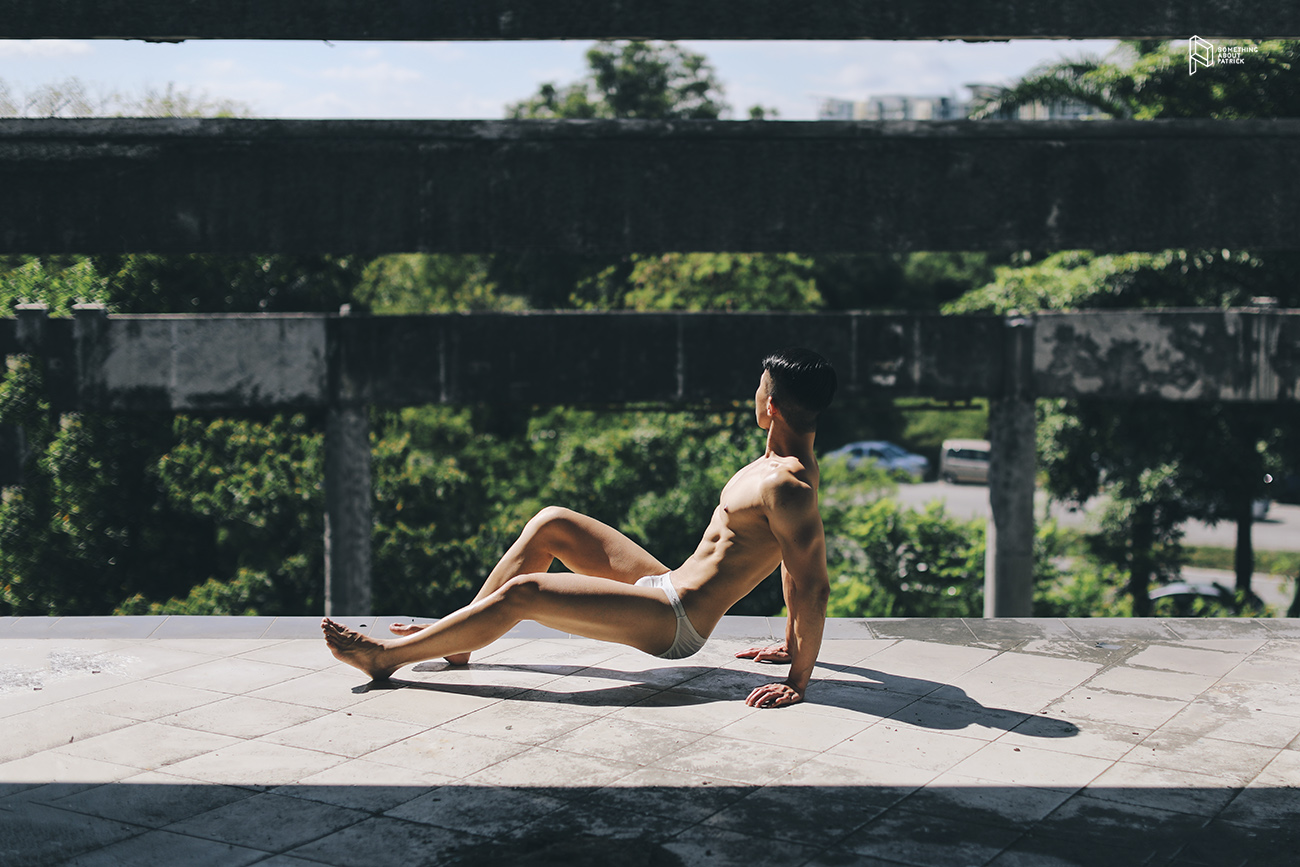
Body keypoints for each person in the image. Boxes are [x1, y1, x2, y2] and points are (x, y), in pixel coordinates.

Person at [323, 347, 836, 708]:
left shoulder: (786, 484)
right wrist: (789, 644)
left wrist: (798, 677)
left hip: (675, 621)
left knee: (526, 592)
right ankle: (460, 639)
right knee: (553, 523)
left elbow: (809, 584)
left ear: (770, 406)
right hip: (668, 584)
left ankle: (386, 658)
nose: (752, 393)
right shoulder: (779, 466)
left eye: (759, 387)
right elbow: (789, 566)